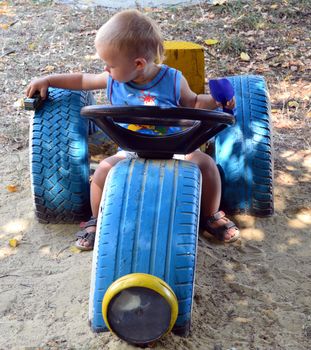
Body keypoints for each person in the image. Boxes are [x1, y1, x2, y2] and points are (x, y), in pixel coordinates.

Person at [26, 9, 240, 250]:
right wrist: (49, 80)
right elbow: (82, 80)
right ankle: (96, 221)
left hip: (176, 147)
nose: (105, 70)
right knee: (101, 174)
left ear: (138, 63)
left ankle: (210, 215)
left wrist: (216, 101)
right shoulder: (113, 79)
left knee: (207, 166)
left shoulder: (173, 79)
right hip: (130, 148)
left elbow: (193, 103)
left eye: (109, 65)